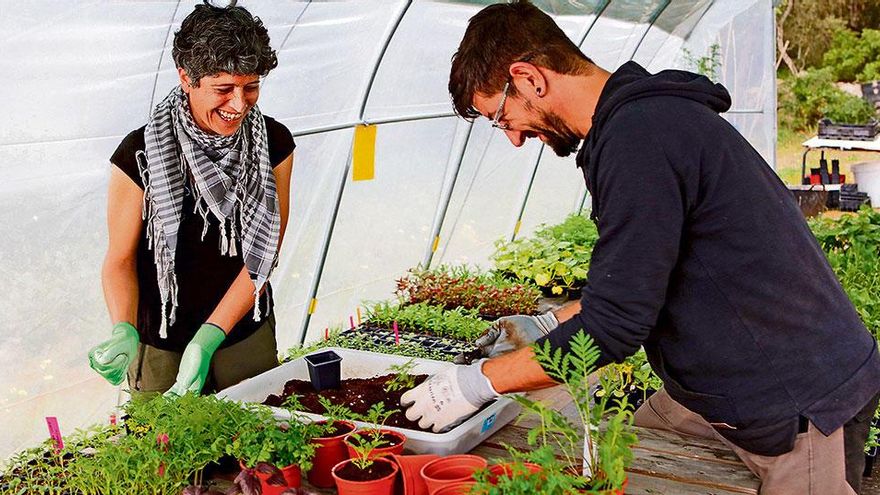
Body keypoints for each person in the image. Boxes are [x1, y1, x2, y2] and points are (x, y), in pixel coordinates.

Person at [400, 2, 880, 494]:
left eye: (501, 116)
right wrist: (548, 324)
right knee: (621, 462)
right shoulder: (639, 124)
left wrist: (477, 383)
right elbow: (637, 279)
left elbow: (614, 327)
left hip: (792, 398)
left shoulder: (640, 136)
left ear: (528, 78)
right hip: (713, 388)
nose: (515, 138)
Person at [87, 1, 294, 399]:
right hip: (162, 343)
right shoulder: (140, 154)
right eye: (223, 88)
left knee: (256, 448)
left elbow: (266, 252)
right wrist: (123, 329)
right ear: (186, 78)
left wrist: (209, 338)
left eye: (250, 86)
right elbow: (120, 259)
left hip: (243, 332)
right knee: (170, 454)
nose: (239, 104)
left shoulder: (275, 143)